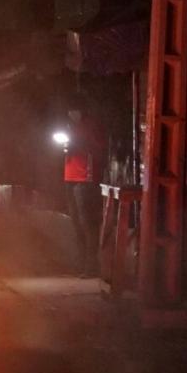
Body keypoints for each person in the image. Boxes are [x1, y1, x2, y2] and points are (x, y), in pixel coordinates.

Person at [62, 98, 106, 277]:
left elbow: (99, 147)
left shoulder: (90, 126)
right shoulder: (68, 127)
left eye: (75, 109)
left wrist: (79, 144)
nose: (72, 113)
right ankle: (81, 265)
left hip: (86, 178)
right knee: (77, 223)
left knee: (87, 223)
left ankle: (91, 266)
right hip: (70, 177)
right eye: (70, 110)